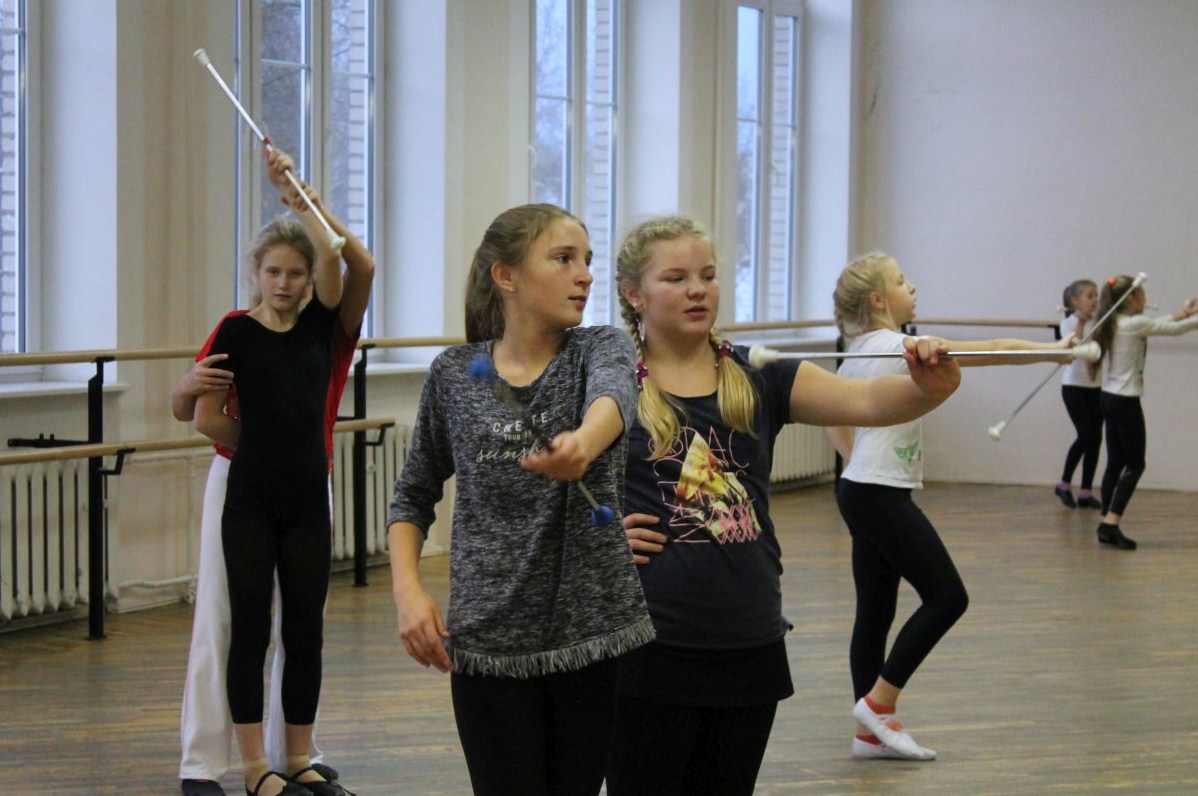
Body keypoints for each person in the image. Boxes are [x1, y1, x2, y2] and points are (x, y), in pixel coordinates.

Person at [607, 218, 961, 796]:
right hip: (649, 646)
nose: (697, 290)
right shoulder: (610, 380)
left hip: (748, 638)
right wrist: (597, 534)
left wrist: (931, 384)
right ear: (633, 293)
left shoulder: (759, 374)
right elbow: (544, 481)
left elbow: (871, 400)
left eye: (708, 275)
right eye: (675, 278)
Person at [386, 204, 653, 796]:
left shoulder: (600, 346)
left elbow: (614, 400)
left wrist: (582, 444)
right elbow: (412, 496)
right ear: (506, 276)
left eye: (587, 260)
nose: (585, 275)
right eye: (563, 259)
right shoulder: (455, 373)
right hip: (487, 638)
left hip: (591, 634)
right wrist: (407, 592)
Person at [826, 252, 1077, 761]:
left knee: (874, 612)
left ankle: (868, 736)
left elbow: (834, 418)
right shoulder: (899, 347)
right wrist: (1054, 350)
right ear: (878, 299)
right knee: (947, 597)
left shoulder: (860, 349)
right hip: (876, 492)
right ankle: (878, 704)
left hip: (860, 488)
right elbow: (993, 350)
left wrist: (858, 462)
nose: (912, 287)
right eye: (901, 281)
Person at [174, 186, 371, 795]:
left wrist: (303, 200)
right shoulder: (236, 329)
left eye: (296, 272)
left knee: (305, 627)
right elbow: (194, 410)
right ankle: (217, 763)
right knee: (233, 625)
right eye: (273, 272)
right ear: (255, 273)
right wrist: (266, 444)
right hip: (244, 485)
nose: (284, 283)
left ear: (311, 278)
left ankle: (296, 755)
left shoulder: (325, 327)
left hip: (308, 489)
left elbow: (353, 263)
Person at [1091, 275, 1198, 550]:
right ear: (1131, 299)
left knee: (1115, 462)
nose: (1147, 299)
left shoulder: (1115, 321)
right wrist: (1189, 319)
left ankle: (1105, 520)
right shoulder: (1134, 323)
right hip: (1125, 401)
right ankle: (1111, 523)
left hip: (1108, 397)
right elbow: (1175, 329)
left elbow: (1160, 323)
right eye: (1143, 295)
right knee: (1136, 464)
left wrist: (1184, 313)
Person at [1054, 279, 1103, 509]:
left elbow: (1099, 352)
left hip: (1095, 387)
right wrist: (1081, 323)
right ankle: (1063, 484)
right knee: (1085, 435)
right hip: (1073, 387)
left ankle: (1085, 491)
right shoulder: (1067, 323)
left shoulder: (1100, 321)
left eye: (1096, 295)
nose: (1094, 300)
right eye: (1089, 296)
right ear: (1075, 300)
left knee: (1095, 439)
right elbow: (1076, 350)